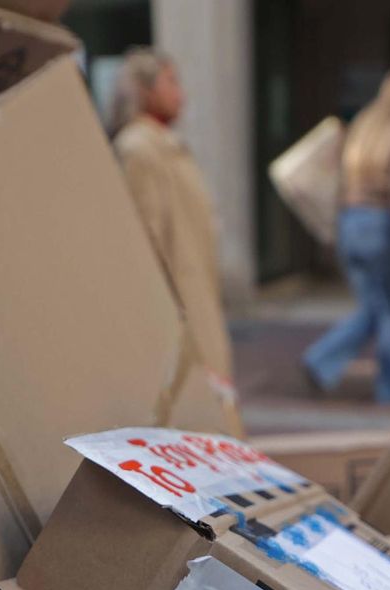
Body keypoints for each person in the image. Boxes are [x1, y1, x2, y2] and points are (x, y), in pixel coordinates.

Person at [302, 63, 390, 404]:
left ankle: (321, 360)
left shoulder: (364, 125)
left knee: (373, 308)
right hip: (383, 224)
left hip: (351, 220)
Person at [110, 48, 236, 405]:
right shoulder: (139, 149)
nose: (181, 93)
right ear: (144, 89)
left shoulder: (167, 145)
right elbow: (146, 240)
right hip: (180, 306)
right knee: (202, 411)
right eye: (171, 81)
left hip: (198, 295)